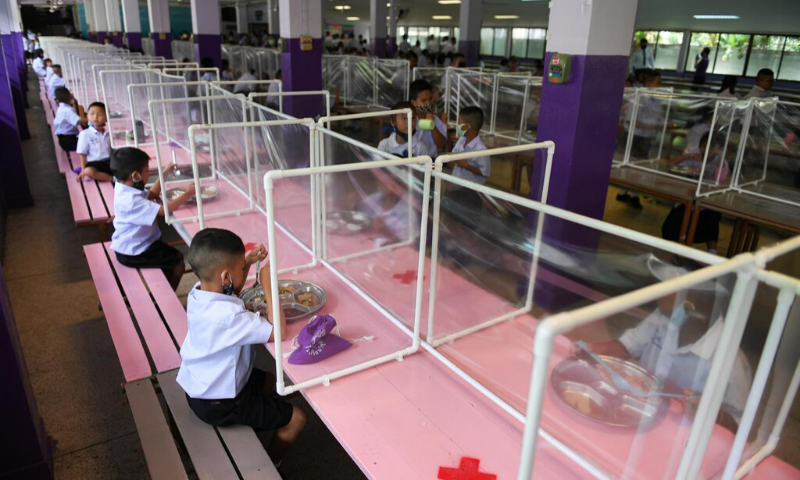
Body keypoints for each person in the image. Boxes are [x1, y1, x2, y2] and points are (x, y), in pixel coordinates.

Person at [176, 228, 304, 470]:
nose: (242, 273)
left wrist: (246, 262)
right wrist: (269, 286)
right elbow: (279, 332)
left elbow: (231, 288)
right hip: (220, 403)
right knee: (297, 417)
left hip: (201, 386)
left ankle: (266, 410)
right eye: (239, 269)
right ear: (225, 277)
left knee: (273, 382)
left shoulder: (198, 294)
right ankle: (269, 468)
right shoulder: (228, 316)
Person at [578, 257, 750, 429]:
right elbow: (626, 346)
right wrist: (597, 349)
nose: (657, 294)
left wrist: (715, 415)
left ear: (690, 305)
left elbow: (737, 428)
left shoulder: (730, 363)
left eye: (666, 288)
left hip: (679, 433)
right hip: (640, 410)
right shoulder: (662, 317)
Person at [109, 147, 195, 290]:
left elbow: (152, 194)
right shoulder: (131, 200)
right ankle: (167, 298)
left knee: (167, 253)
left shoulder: (124, 188)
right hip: (135, 251)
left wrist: (165, 173)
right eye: (147, 170)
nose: (148, 173)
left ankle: (162, 289)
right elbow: (162, 211)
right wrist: (188, 194)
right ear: (135, 175)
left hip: (128, 245)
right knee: (178, 261)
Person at [663, 132, 725, 253]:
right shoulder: (695, 158)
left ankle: (712, 251)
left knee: (712, 217)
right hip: (689, 197)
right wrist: (689, 155)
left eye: (711, 148)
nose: (705, 150)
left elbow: (720, 178)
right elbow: (670, 164)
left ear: (718, 150)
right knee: (675, 219)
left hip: (706, 201)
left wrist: (720, 155)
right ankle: (678, 246)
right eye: (703, 146)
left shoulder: (719, 161)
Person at [618, 69, 663, 209]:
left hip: (646, 137)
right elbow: (631, 121)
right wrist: (650, 125)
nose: (660, 85)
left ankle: (624, 192)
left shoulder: (655, 98)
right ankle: (633, 195)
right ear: (649, 83)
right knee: (636, 169)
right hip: (636, 137)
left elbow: (657, 116)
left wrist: (660, 123)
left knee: (638, 167)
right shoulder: (639, 98)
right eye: (658, 82)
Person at [448, 106, 490, 213]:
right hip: (456, 186)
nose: (457, 126)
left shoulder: (481, 149)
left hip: (472, 192)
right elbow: (453, 153)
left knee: (469, 216)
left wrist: (467, 166)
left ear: (467, 126)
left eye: (459, 123)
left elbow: (484, 172)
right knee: (453, 214)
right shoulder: (461, 140)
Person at [76, 102, 114, 183]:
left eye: (100, 114)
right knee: (89, 171)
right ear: (87, 116)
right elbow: (82, 154)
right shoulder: (85, 134)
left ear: (107, 117)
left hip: (109, 162)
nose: (95, 117)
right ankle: (113, 179)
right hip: (94, 164)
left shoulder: (108, 133)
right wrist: (83, 170)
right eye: (92, 114)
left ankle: (111, 177)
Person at [408, 79, 447, 158]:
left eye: (430, 99)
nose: (428, 103)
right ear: (413, 103)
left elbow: (442, 144)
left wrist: (432, 124)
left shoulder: (435, 120)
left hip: (430, 160)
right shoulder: (408, 119)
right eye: (423, 100)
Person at [53, 87, 88, 153]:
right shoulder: (67, 110)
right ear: (69, 96)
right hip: (68, 141)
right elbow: (78, 121)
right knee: (90, 144)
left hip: (64, 140)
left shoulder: (62, 107)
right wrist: (92, 119)